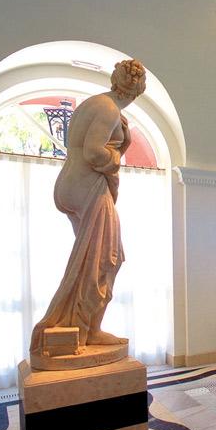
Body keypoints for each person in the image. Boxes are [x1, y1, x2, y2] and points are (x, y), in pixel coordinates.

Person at [29, 59, 146, 354]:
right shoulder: (109, 110)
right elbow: (95, 153)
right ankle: (83, 330)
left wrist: (122, 143)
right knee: (106, 258)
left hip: (71, 184)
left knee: (94, 258)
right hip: (87, 185)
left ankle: (86, 328)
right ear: (133, 92)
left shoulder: (93, 104)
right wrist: (119, 156)